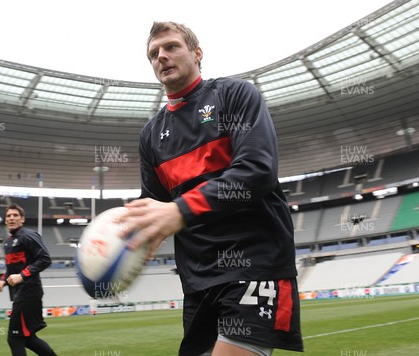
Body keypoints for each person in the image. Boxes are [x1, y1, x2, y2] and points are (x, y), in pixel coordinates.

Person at [119, 22, 303, 356]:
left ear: (197, 53)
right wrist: (132, 241)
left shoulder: (234, 95)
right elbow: (156, 204)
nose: (161, 56)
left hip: (255, 265)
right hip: (198, 281)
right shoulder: (151, 133)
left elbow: (257, 171)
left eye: (172, 47)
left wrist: (179, 210)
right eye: (153, 54)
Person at [0, 203, 57, 356]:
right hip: (20, 294)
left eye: (15, 215)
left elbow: (45, 259)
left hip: (29, 293)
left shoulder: (28, 235)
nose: (11, 218)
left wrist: (22, 276)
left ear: (22, 219)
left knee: (14, 338)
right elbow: (11, 269)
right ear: (5, 220)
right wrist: (3, 280)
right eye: (8, 216)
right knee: (27, 337)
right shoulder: (8, 241)